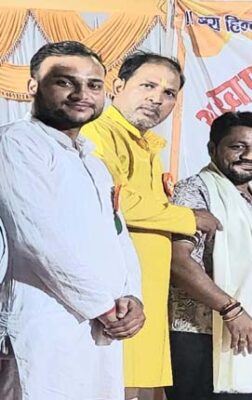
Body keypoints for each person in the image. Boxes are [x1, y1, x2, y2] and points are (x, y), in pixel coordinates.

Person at [0, 41, 143, 399]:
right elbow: (35, 239)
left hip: (102, 324)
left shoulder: (93, 162)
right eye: (65, 82)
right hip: (44, 322)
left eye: (94, 85)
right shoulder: (16, 143)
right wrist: (103, 306)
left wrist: (132, 296)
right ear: (32, 86)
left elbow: (118, 236)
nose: (82, 94)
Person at [81, 51, 221, 396]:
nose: (157, 98)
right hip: (115, 302)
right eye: (148, 86)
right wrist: (188, 218)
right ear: (118, 86)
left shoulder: (145, 145)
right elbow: (113, 201)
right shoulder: (98, 132)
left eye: (169, 92)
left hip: (145, 301)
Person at [166, 111, 252, 399]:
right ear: (212, 148)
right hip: (200, 334)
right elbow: (179, 261)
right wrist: (231, 310)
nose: (250, 156)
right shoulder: (195, 190)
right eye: (238, 147)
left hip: (251, 330)